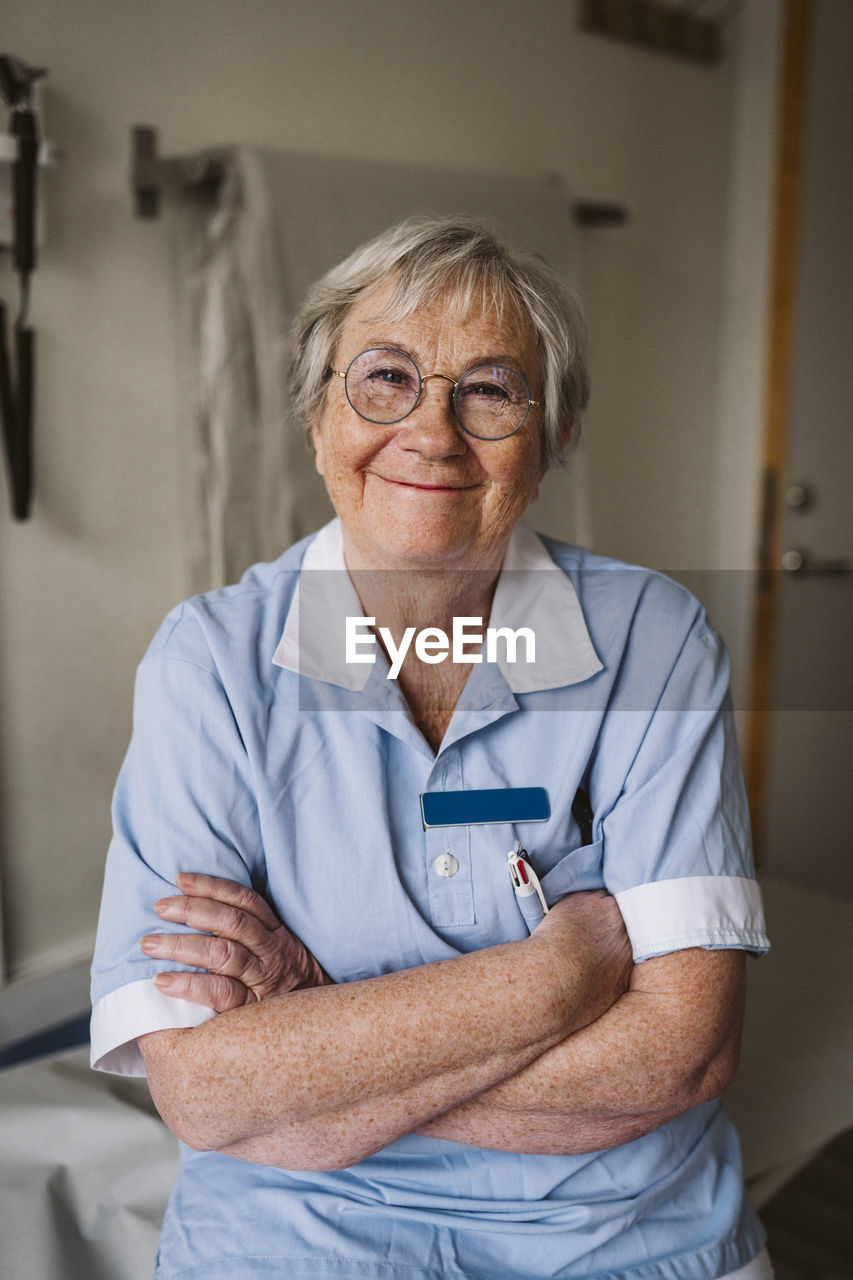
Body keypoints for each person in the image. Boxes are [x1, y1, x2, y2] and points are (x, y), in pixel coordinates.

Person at [90, 216, 773, 1280]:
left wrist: (312, 1054)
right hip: (291, 1228)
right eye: (385, 379)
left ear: (546, 445)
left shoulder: (654, 639)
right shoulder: (209, 661)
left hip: (612, 1230)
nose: (432, 431)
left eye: (491, 389)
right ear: (319, 419)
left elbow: (683, 1050)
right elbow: (204, 1090)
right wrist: (561, 976)